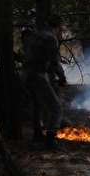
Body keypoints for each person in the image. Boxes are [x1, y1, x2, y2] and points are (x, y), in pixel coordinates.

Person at [21, 14, 67, 150]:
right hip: (37, 75)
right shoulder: (51, 38)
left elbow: (34, 54)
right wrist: (62, 77)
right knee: (56, 107)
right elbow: (54, 61)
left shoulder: (36, 35)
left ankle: (37, 135)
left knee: (36, 104)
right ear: (57, 27)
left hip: (25, 74)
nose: (60, 30)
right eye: (60, 28)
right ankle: (49, 142)